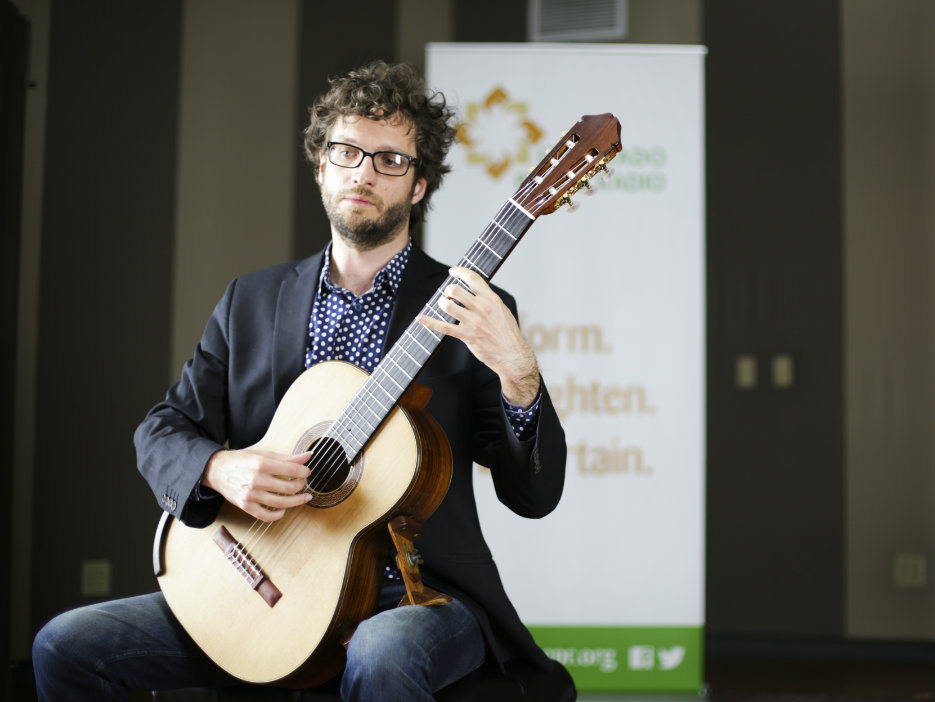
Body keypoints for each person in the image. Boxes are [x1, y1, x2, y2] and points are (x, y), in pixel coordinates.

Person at [32, 60, 572, 702]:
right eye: (347, 151)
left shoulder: (472, 310)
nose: (364, 171)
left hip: (420, 594)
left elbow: (533, 495)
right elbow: (163, 429)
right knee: (64, 647)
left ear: (420, 184)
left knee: (382, 654)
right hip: (264, 582)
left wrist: (519, 374)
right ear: (321, 163)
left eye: (390, 160)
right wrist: (218, 469)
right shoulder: (251, 302)